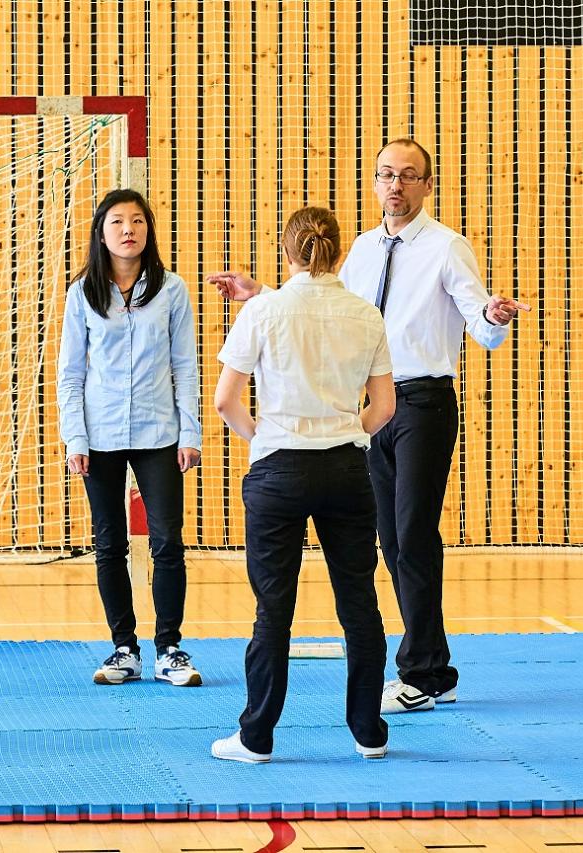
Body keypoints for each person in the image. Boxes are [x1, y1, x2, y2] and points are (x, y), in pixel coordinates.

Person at [211, 139, 528, 715]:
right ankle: (431, 663)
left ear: (427, 186)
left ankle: (426, 671)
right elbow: (325, 307)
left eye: (409, 176)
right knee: (388, 539)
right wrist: (261, 295)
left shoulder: (447, 248)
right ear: (375, 182)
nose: (396, 185)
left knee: (412, 535)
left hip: (423, 402)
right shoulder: (359, 248)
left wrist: (493, 316)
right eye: (386, 175)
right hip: (370, 407)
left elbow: (477, 316)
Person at [209, 207, 397, 763]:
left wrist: (261, 439)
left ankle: (257, 736)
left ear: (285, 251)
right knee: (359, 601)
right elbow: (384, 407)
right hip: (344, 466)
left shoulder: (263, 311)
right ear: (339, 252)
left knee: (274, 608)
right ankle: (369, 732)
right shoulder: (365, 314)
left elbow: (225, 400)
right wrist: (346, 433)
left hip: (279, 469)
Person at [57, 188, 203, 687]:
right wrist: (75, 438)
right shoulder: (82, 294)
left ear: (148, 230)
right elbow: (70, 373)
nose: (128, 230)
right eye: (117, 221)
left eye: (137, 220)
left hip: (160, 432)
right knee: (109, 543)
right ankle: (124, 648)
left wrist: (191, 432)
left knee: (167, 541)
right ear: (102, 232)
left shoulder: (172, 290)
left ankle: (170, 649)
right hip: (98, 434)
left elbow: (185, 366)